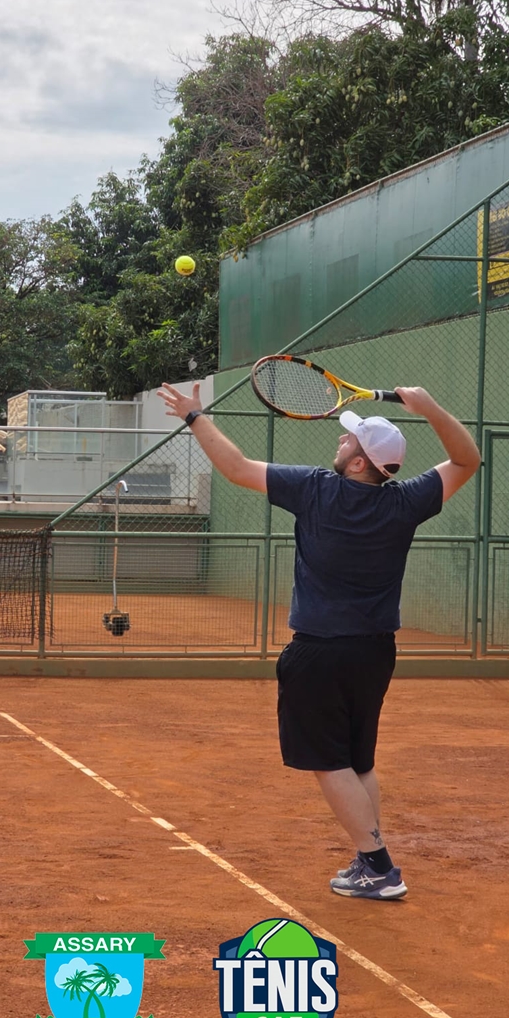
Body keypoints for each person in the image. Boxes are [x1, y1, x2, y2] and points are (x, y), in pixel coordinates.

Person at [157, 381, 480, 900]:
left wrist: (195, 417)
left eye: (348, 440)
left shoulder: (314, 489)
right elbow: (467, 461)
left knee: (329, 762)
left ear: (359, 463)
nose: (340, 441)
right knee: (358, 760)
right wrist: (430, 408)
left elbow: (236, 468)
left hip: (320, 653)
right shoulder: (406, 502)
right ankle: (368, 859)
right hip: (375, 652)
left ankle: (379, 867)